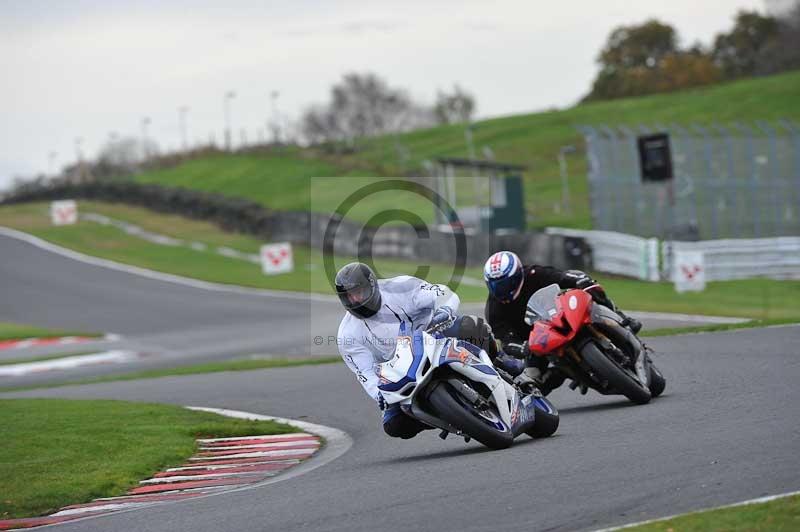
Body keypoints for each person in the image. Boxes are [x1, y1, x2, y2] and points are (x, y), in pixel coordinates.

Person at [335, 262, 523, 440]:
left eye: (359, 292)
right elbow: (365, 373)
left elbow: (442, 293)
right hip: (403, 370)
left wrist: (445, 311)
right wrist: (379, 394)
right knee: (394, 424)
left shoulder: (401, 286)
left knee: (471, 327)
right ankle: (446, 415)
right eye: (349, 296)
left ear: (372, 285)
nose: (355, 300)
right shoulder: (347, 335)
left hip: (436, 335)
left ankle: (499, 359)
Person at [482, 250, 642, 394]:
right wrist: (524, 347)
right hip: (539, 342)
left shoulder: (534, 273)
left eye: (505, 283)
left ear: (518, 275)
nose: (501, 290)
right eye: (495, 285)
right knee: (532, 384)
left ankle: (622, 317)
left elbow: (563, 277)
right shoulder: (494, 309)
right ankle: (563, 373)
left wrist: (580, 281)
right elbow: (506, 340)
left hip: (560, 316)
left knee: (591, 289)